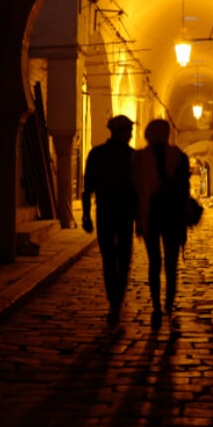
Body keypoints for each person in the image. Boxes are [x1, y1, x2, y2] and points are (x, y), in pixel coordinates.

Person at [131, 118, 191, 328]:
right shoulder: (179, 157)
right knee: (171, 263)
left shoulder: (139, 158)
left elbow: (136, 190)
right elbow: (184, 190)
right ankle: (169, 303)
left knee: (154, 262)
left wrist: (137, 218)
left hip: (150, 214)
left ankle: (156, 304)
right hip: (173, 216)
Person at [81, 115, 137, 328]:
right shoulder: (132, 156)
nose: (131, 134)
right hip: (124, 214)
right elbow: (137, 191)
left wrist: (86, 215)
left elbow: (88, 189)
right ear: (121, 132)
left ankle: (114, 299)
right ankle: (116, 301)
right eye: (129, 130)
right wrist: (140, 219)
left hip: (105, 213)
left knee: (108, 259)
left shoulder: (96, 154)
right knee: (123, 258)